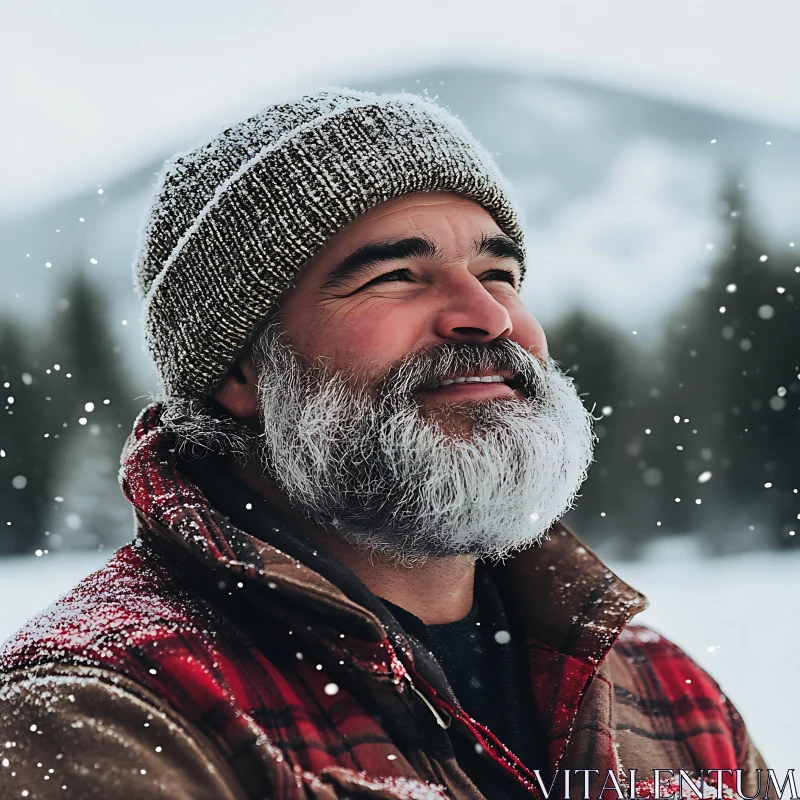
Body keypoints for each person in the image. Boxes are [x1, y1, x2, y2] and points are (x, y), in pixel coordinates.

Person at [0, 89, 767, 800]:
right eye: (398, 275)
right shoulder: (109, 710)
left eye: (499, 273)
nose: (487, 316)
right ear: (241, 368)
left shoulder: (667, 694)